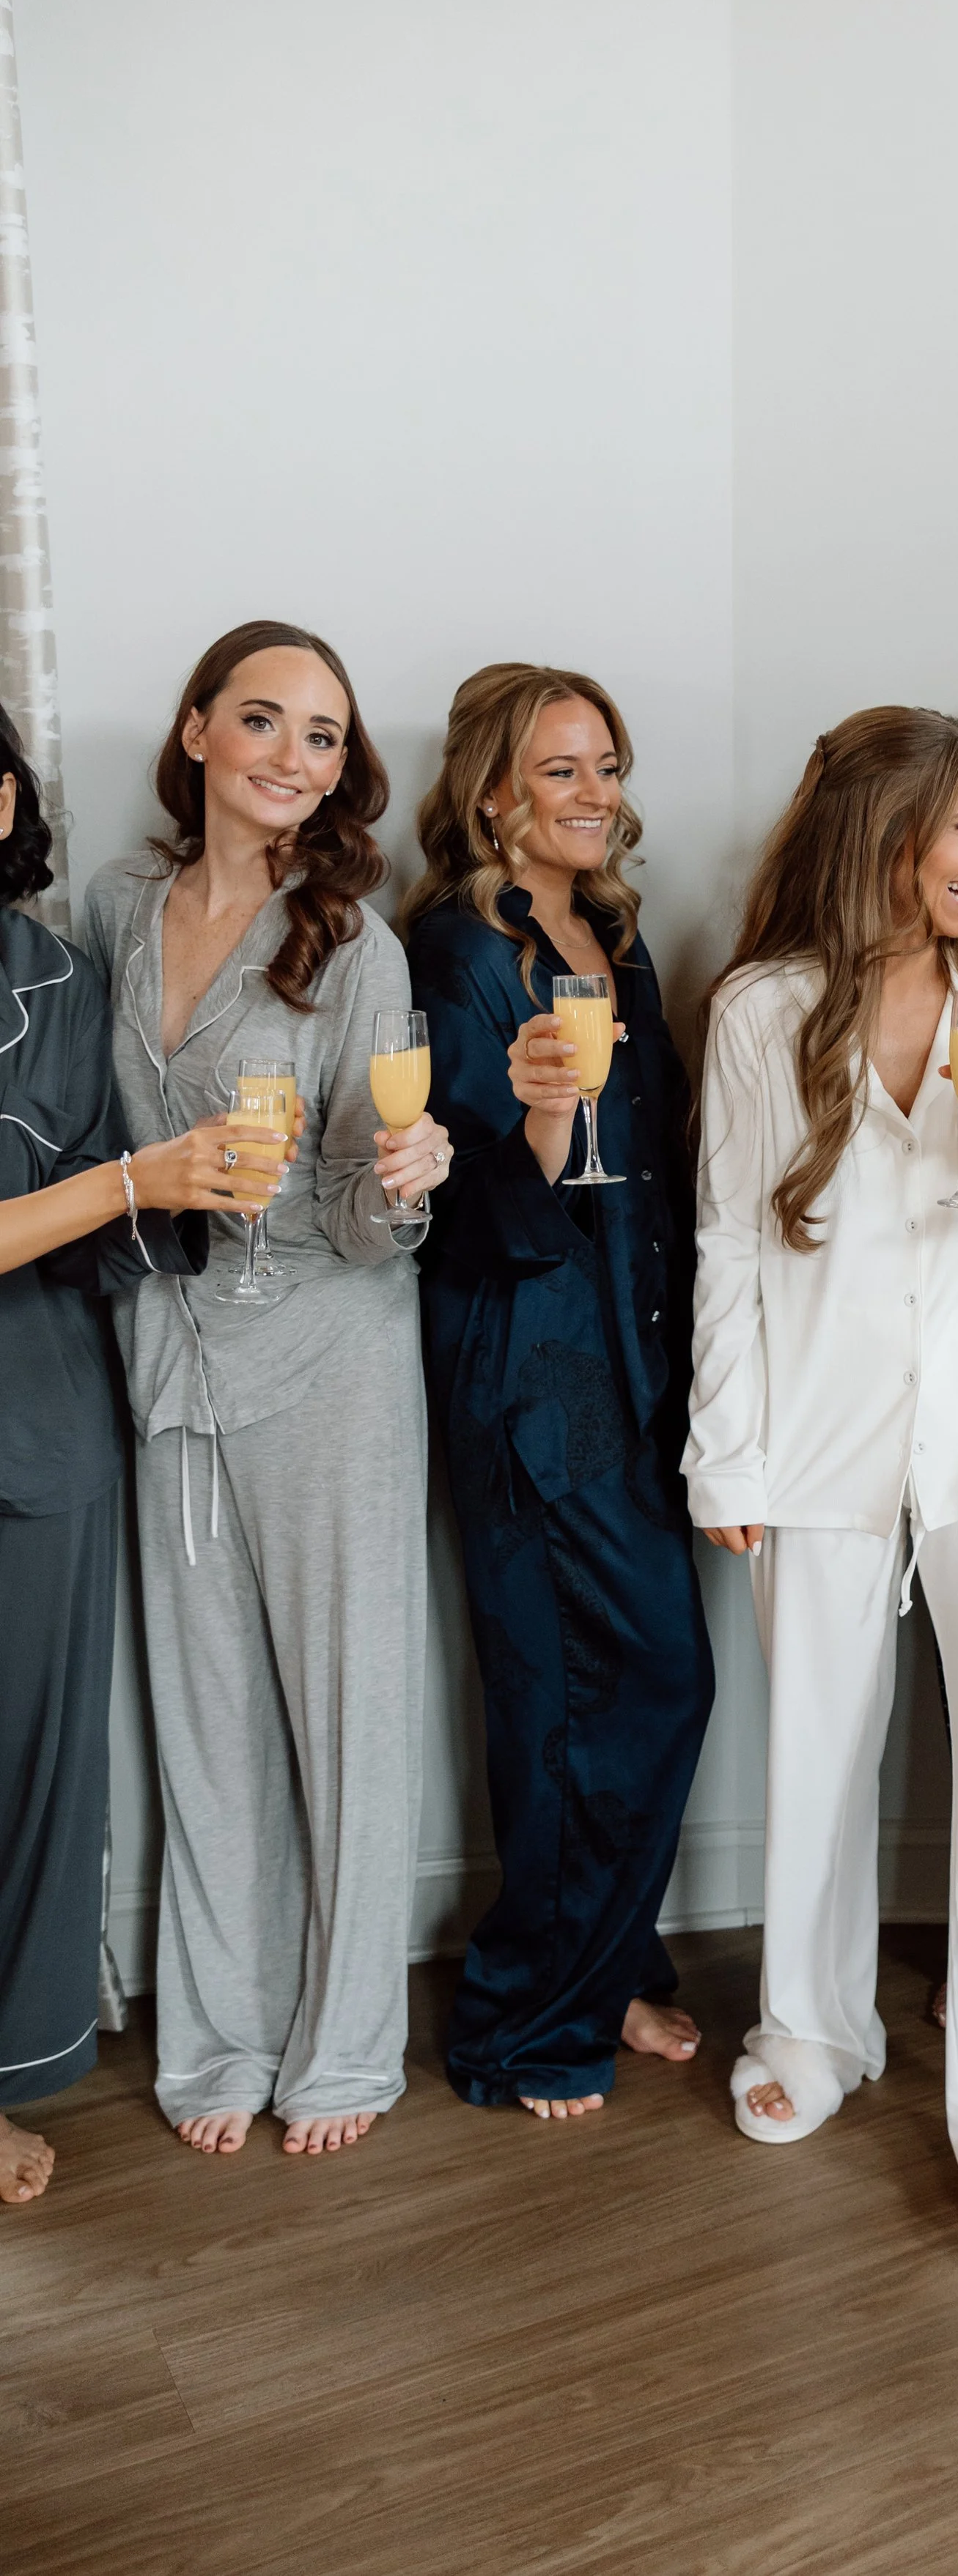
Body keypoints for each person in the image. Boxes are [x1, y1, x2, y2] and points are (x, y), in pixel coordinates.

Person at [688, 707, 958, 2269]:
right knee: (814, 1739)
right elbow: (729, 1238)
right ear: (885, 836)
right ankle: (806, 2028)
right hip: (814, 1436)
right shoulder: (757, 1010)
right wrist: (723, 1451)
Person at [84, 621, 451, 2158]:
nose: (295, 759)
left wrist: (409, 1177)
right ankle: (221, 2035)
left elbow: (370, 1214)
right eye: (264, 721)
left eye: (321, 736)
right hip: (167, 1347)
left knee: (350, 1711)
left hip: (328, 1345)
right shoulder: (108, 911)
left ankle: (348, 2043)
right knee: (206, 1710)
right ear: (194, 732)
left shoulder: (356, 942)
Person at [402, 663, 713, 2119]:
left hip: (631, 1347)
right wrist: (531, 1116)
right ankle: (524, 2021)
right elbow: (455, 1205)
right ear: (490, 797)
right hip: (527, 1357)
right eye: (561, 771)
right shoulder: (457, 955)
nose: (596, 795)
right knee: (594, 1681)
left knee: (613, 1677)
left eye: (606, 766)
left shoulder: (614, 936)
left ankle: (609, 1968)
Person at [0, 717, 288, 2202]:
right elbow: (97, 1184)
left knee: (34, 1780)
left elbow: (106, 1216)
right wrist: (134, 1181)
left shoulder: (52, 976)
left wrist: (217, 1208)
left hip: (44, 1424)